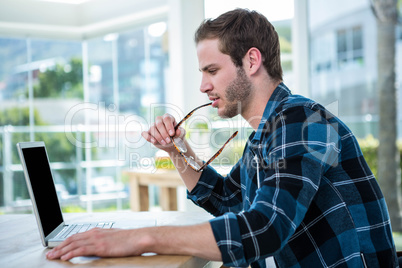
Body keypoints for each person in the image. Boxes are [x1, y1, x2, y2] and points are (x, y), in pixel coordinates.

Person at [47, 8, 399, 267]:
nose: (203, 86)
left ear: (251, 61)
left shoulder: (302, 121)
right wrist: (176, 150)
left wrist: (140, 239)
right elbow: (227, 198)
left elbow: (266, 229)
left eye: (212, 71)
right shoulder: (266, 134)